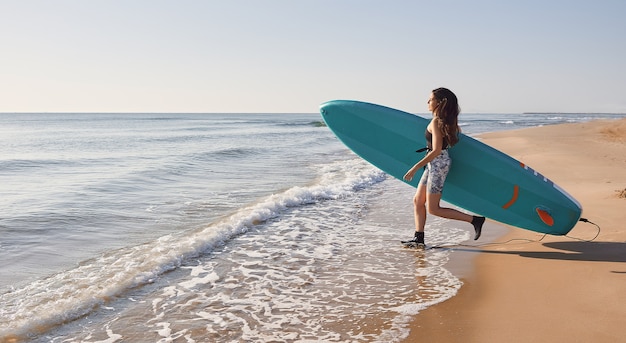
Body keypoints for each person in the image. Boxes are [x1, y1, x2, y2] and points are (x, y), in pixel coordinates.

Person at [402, 87, 485, 247]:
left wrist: (415, 167)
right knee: (418, 201)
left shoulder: (436, 122)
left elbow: (437, 150)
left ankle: (475, 220)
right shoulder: (442, 121)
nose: (428, 102)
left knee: (434, 209)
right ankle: (419, 238)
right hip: (435, 164)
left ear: (439, 102)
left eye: (431, 99)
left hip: (438, 165)